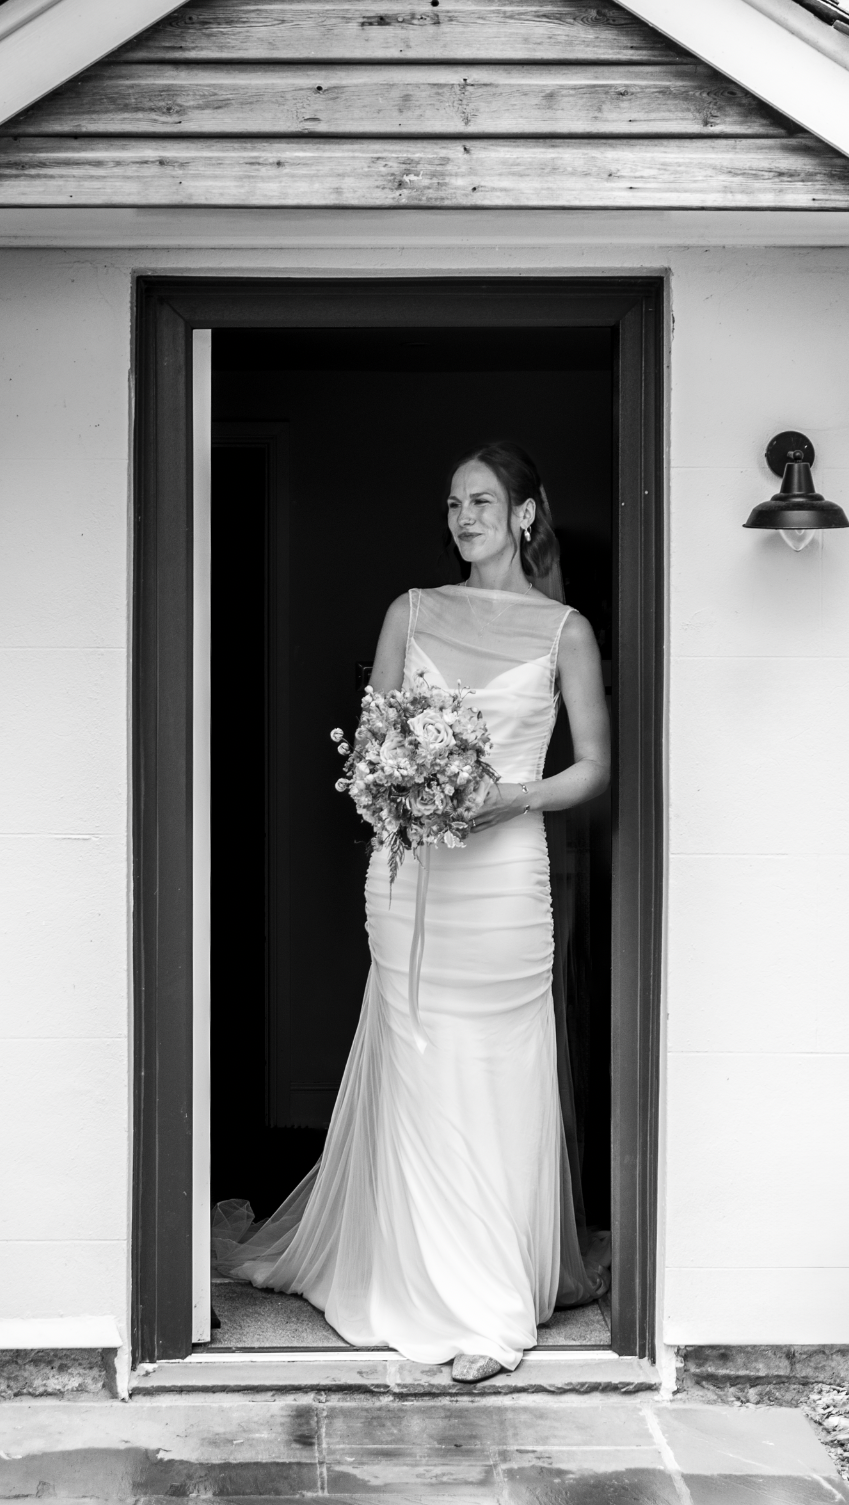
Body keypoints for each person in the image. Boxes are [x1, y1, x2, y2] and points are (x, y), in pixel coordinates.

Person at [213, 442, 611, 1382]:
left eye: (480, 501)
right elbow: (373, 746)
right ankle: (433, 1292)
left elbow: (593, 767)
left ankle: (491, 1284)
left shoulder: (566, 632)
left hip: (507, 880)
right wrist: (400, 788)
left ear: (522, 514)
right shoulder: (412, 611)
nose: (462, 518)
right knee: (421, 1062)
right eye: (451, 505)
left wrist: (510, 798)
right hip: (411, 878)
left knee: (500, 1070)